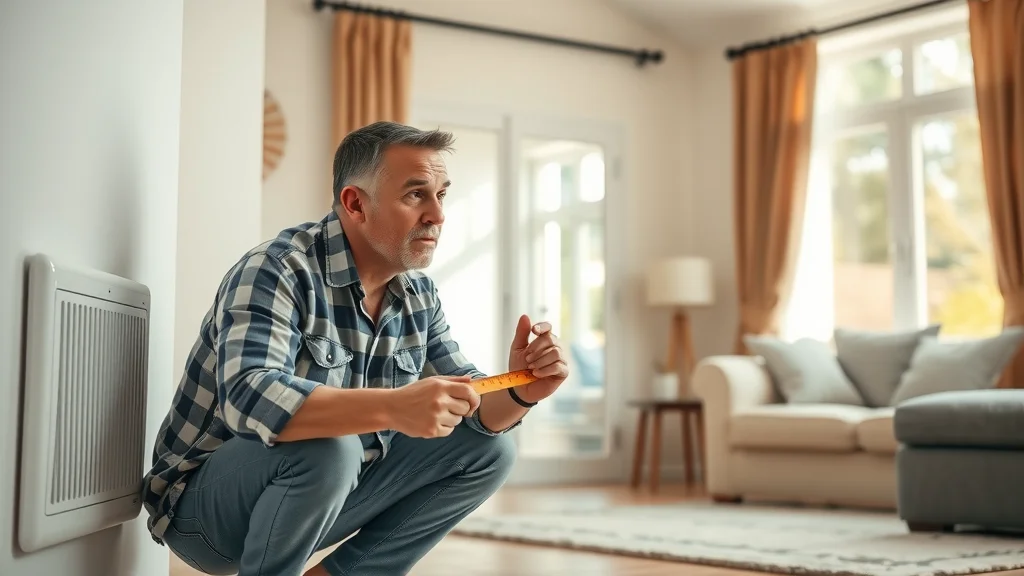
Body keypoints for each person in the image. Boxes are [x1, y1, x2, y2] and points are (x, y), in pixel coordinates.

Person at [141, 121, 570, 576]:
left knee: (490, 452)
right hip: (205, 515)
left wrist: (525, 388)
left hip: (322, 500)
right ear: (355, 203)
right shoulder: (278, 269)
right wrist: (393, 408)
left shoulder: (417, 294)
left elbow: (474, 410)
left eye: (442, 194)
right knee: (331, 446)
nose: (438, 216)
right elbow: (248, 399)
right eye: (415, 195)